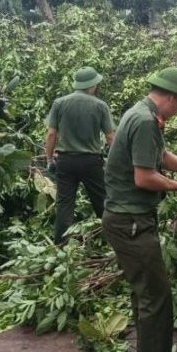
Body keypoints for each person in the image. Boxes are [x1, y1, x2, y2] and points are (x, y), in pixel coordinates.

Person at [101, 67, 177, 352]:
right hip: (130, 223)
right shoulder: (144, 121)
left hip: (129, 220)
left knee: (146, 294)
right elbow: (144, 177)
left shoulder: (142, 113)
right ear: (173, 99)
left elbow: (160, 155)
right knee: (157, 298)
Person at [45, 66, 115, 245]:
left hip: (66, 161)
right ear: (93, 85)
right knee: (102, 202)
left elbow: (52, 134)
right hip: (91, 161)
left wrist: (49, 158)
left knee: (65, 205)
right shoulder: (100, 105)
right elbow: (110, 137)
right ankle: (113, 241)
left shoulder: (60, 103)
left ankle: (60, 246)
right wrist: (116, 161)